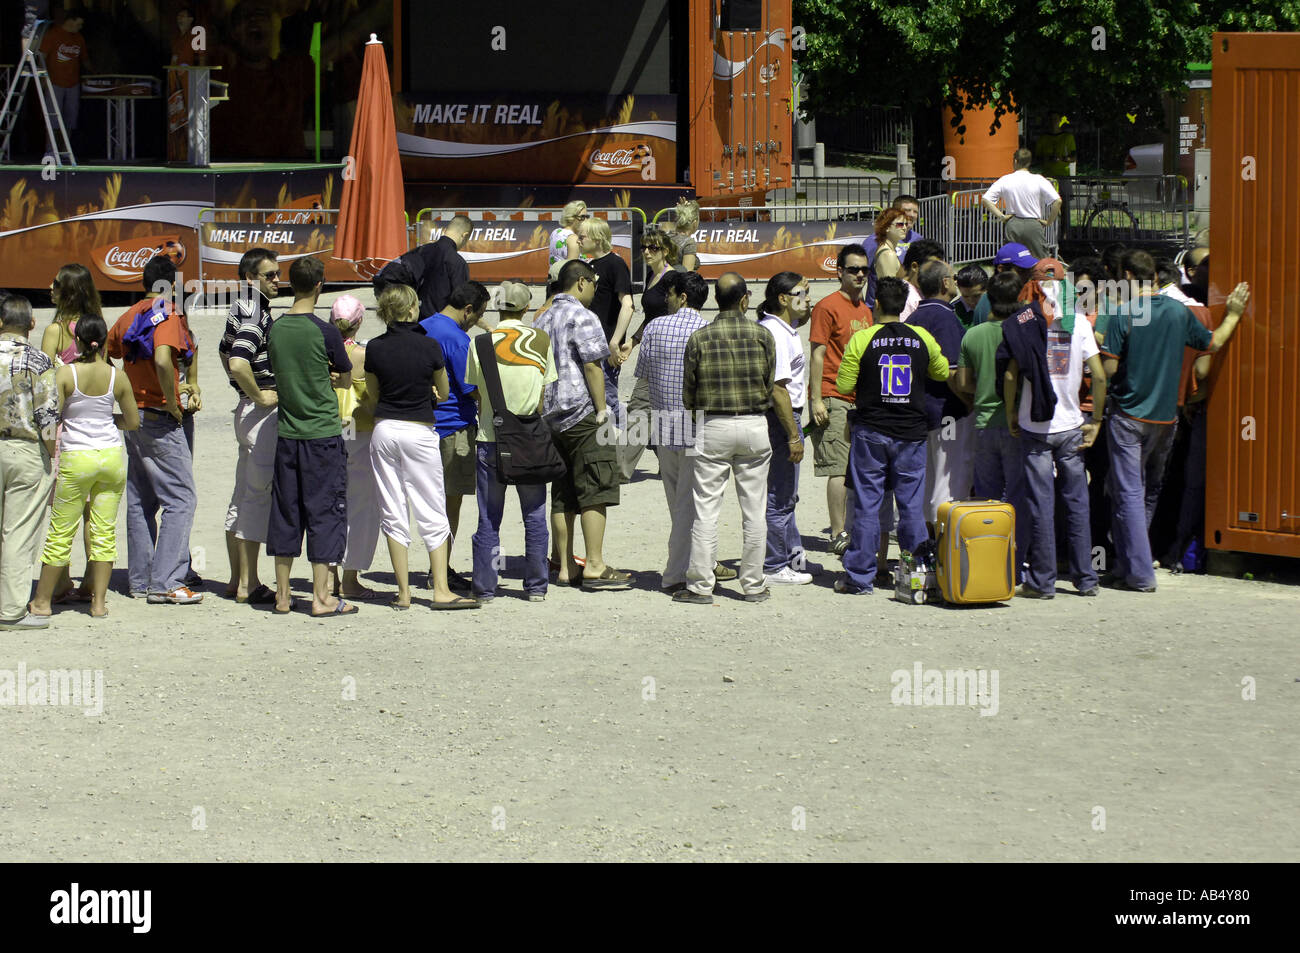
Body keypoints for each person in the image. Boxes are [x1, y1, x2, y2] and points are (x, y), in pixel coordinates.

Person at [1100, 251, 1249, 592]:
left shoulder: (1124, 313)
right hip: (1167, 417)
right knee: (1148, 491)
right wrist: (1234, 314)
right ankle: (1127, 565)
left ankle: (1139, 574)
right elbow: (1213, 342)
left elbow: (1108, 369)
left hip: (1128, 415)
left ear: (1126, 276)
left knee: (1128, 492)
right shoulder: (1179, 311)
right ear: (1154, 276)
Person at [364, 283, 478, 610]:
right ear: (412, 309)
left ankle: (403, 593)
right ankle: (441, 589)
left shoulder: (374, 347)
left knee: (393, 509)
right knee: (432, 507)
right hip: (419, 428)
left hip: (385, 428)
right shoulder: (429, 346)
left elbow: (374, 394)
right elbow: (444, 392)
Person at [833, 277, 950, 595]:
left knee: (867, 505)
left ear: (876, 304)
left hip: (871, 431)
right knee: (911, 507)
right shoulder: (921, 337)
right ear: (903, 306)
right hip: (911, 432)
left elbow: (844, 385)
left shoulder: (862, 338)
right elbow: (941, 371)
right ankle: (917, 577)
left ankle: (859, 578)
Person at [1002, 276, 1107, 598]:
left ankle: (1043, 581)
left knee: (1040, 505)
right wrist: (1096, 420)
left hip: (1035, 428)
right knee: (1077, 503)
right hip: (1072, 426)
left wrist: (1011, 412)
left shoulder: (1025, 324)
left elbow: (1010, 375)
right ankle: (1086, 579)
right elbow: (1099, 376)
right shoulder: (1080, 325)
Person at [674, 274, 776, 605]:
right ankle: (754, 584)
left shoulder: (700, 338)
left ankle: (700, 585)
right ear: (745, 299)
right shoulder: (763, 335)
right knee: (754, 510)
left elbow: (688, 391)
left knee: (705, 510)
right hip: (753, 424)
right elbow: (769, 383)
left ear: (716, 300)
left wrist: (699, 418)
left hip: (713, 425)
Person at [29, 314, 138, 621]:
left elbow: (50, 416)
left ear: (76, 341)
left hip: (77, 457)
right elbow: (132, 421)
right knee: (104, 531)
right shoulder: (118, 376)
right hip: (111, 456)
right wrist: (105, 420)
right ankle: (98, 603)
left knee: (61, 531)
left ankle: (42, 601)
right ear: (103, 343)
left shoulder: (66, 373)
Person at [106, 256, 200, 604]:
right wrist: (172, 402)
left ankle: (142, 579)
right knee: (181, 499)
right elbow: (163, 358)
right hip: (160, 415)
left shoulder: (128, 315)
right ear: (171, 285)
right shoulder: (168, 312)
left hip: (136, 415)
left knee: (140, 499)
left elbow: (106, 352)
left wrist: (123, 392)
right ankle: (166, 581)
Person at [264, 256, 355, 616]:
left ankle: (282, 595)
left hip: (288, 432)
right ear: (320, 285)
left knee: (286, 511)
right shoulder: (326, 331)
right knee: (325, 511)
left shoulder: (275, 329)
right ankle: (322, 597)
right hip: (322, 434)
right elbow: (345, 377)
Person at [533, 260, 630, 590]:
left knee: (562, 493)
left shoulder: (542, 317)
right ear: (581, 282)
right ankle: (595, 565)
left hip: (551, 417)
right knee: (595, 487)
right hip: (582, 413)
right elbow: (592, 366)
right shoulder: (583, 316)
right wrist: (603, 410)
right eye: (594, 284)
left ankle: (564, 566)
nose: (595, 290)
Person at [464, 280, 557, 602]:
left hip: (491, 437)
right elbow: (543, 393)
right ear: (527, 307)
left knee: (489, 518)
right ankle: (536, 587)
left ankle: (485, 587)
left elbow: (475, 391)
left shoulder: (480, 343)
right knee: (534, 515)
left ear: (497, 306)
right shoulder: (540, 340)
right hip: (529, 439)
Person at [634, 271, 709, 594]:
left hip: (665, 426)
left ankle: (690, 564)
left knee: (678, 503)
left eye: (670, 293)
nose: (666, 298)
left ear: (683, 297)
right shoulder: (707, 330)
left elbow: (643, 374)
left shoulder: (654, 327)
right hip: (697, 427)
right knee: (691, 504)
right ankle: (679, 571)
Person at [953, 271, 1030, 573]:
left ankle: (988, 565)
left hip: (983, 422)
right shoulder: (1023, 332)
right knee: (1018, 497)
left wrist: (985, 387)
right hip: (1018, 422)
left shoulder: (972, 335)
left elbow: (962, 382)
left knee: (987, 499)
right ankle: (1016, 565)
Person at [420, 280, 490, 591]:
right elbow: (472, 388)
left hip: (423, 424)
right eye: (478, 315)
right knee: (450, 503)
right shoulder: (458, 339)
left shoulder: (423, 326)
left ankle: (436, 567)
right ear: (468, 310)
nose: (476, 322)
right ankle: (440, 570)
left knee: (428, 502)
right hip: (454, 427)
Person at [219, 248, 280, 604]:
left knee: (242, 496)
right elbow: (238, 361)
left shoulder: (241, 306)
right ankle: (249, 583)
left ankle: (236, 579)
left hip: (247, 411)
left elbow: (224, 350)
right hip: (260, 414)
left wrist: (242, 391)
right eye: (269, 275)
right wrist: (258, 394)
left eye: (277, 274)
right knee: (257, 497)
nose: (277, 280)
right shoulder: (256, 312)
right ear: (250, 278)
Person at [41, 262, 102, 601]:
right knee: (93, 511)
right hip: (94, 423)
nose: (49, 289)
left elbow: (43, 381)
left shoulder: (57, 330)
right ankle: (92, 580)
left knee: (64, 510)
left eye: (55, 284)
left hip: (65, 426)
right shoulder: (96, 326)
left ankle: (62, 579)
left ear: (67, 291)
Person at [808, 244, 873, 556]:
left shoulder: (866, 310)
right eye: (853, 269)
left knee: (856, 469)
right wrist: (816, 399)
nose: (860, 275)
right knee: (838, 468)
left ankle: (851, 528)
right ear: (840, 272)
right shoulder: (827, 307)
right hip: (834, 396)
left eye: (864, 270)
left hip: (860, 400)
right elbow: (817, 355)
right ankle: (837, 532)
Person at [0, 294, 59, 630]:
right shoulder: (39, 361)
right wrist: (50, 454)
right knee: (19, 533)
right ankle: (10, 611)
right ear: (32, 324)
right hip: (25, 448)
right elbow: (48, 415)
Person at [758, 271, 814, 586]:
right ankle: (774, 564)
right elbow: (778, 390)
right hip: (782, 418)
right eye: (801, 293)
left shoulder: (783, 328)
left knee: (788, 494)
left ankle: (793, 557)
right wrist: (793, 434)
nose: (808, 299)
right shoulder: (776, 333)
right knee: (780, 496)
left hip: (785, 416)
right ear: (783, 298)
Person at [907, 260, 973, 526]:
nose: (955, 282)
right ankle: (944, 545)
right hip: (947, 413)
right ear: (945, 283)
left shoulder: (913, 318)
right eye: (953, 277)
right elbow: (951, 372)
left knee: (928, 482)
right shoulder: (944, 317)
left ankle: (927, 543)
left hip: (920, 412)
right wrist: (969, 403)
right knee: (950, 484)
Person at [619, 227, 684, 483]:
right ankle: (671, 464)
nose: (646, 252)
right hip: (650, 351)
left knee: (640, 407)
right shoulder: (652, 275)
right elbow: (650, 317)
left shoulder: (672, 278)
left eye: (653, 247)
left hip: (666, 355)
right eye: (644, 247)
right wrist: (633, 341)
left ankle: (620, 470)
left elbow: (679, 317)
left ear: (665, 251)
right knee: (657, 410)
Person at [330, 294, 381, 601]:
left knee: (331, 503)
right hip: (359, 431)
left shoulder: (322, 350)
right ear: (359, 321)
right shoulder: (364, 354)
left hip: (329, 429)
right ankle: (349, 578)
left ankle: (329, 576)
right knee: (361, 507)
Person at [578, 217, 634, 427]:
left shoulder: (615, 264)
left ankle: (626, 439)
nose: (578, 240)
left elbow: (628, 305)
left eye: (582, 236)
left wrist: (614, 342)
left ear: (597, 238)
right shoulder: (590, 265)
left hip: (605, 350)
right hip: (590, 347)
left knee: (608, 403)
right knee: (595, 404)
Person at [373, 215, 472, 321]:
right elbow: (462, 303)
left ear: (445, 230)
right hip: (440, 324)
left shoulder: (420, 251)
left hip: (414, 321)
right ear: (465, 235)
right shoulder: (458, 262)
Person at [980, 148, 1061, 260]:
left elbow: (986, 199)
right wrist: (1048, 222)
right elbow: (1058, 201)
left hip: (1013, 224)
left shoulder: (1005, 179)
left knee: (1013, 260)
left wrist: (1002, 216)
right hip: (1033, 224)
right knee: (1040, 260)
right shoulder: (1039, 180)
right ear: (1029, 162)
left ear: (1015, 161)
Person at [39, 7, 92, 152]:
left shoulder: (79, 38)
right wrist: (42, 78)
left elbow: (85, 59)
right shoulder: (53, 34)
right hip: (54, 82)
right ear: (70, 21)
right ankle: (51, 150)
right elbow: (42, 57)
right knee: (53, 118)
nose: (80, 27)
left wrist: (95, 72)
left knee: (71, 119)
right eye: (78, 24)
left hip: (73, 84)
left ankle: (65, 150)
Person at [41, 263, 101, 365]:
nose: (50, 286)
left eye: (56, 284)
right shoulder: (100, 328)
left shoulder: (55, 331)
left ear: (71, 293)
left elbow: (45, 373)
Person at [1034, 113, 1076, 180]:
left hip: (1064, 176)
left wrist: (1062, 158)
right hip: (1047, 176)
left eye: (1055, 119)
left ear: (1060, 120)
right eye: (1050, 119)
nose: (1053, 121)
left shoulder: (1068, 137)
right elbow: (1037, 158)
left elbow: (1074, 158)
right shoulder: (1043, 138)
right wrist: (1048, 158)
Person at [549, 201, 587, 268]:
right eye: (582, 217)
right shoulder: (573, 239)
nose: (585, 220)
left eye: (587, 216)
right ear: (571, 218)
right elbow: (572, 270)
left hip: (555, 274)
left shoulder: (556, 232)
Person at [953, 264, 987, 330]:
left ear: (986, 289)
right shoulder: (953, 313)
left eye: (976, 296)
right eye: (966, 296)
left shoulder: (996, 306)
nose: (971, 301)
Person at [669, 199, 701, 271]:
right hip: (677, 278)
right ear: (695, 223)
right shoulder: (689, 243)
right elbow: (687, 273)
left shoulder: (667, 237)